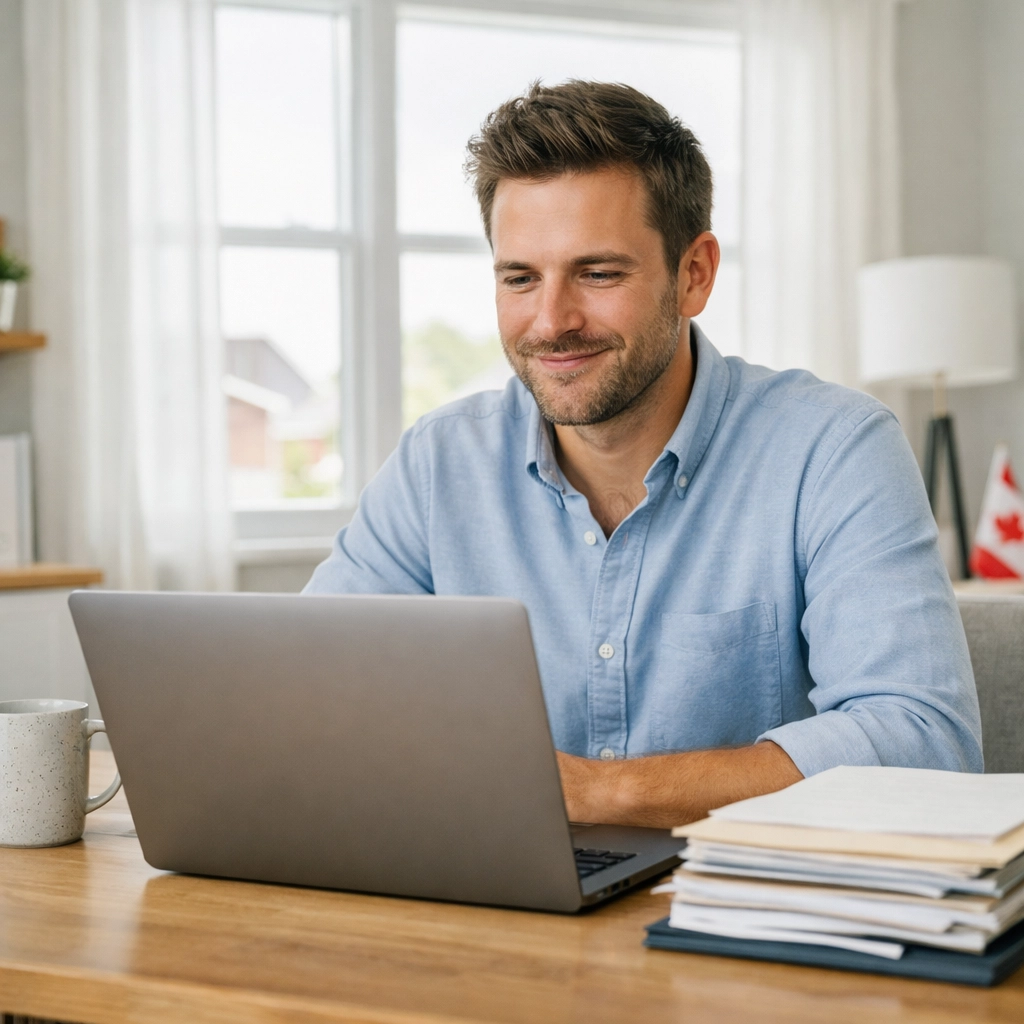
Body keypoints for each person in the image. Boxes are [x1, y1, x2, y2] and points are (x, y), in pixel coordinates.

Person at [305, 81, 982, 828]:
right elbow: (309, 695)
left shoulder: (833, 449)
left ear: (694, 274)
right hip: (495, 907)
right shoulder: (440, 462)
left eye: (598, 274)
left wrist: (605, 793)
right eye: (520, 278)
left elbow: (926, 745)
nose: (552, 321)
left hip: (742, 912)